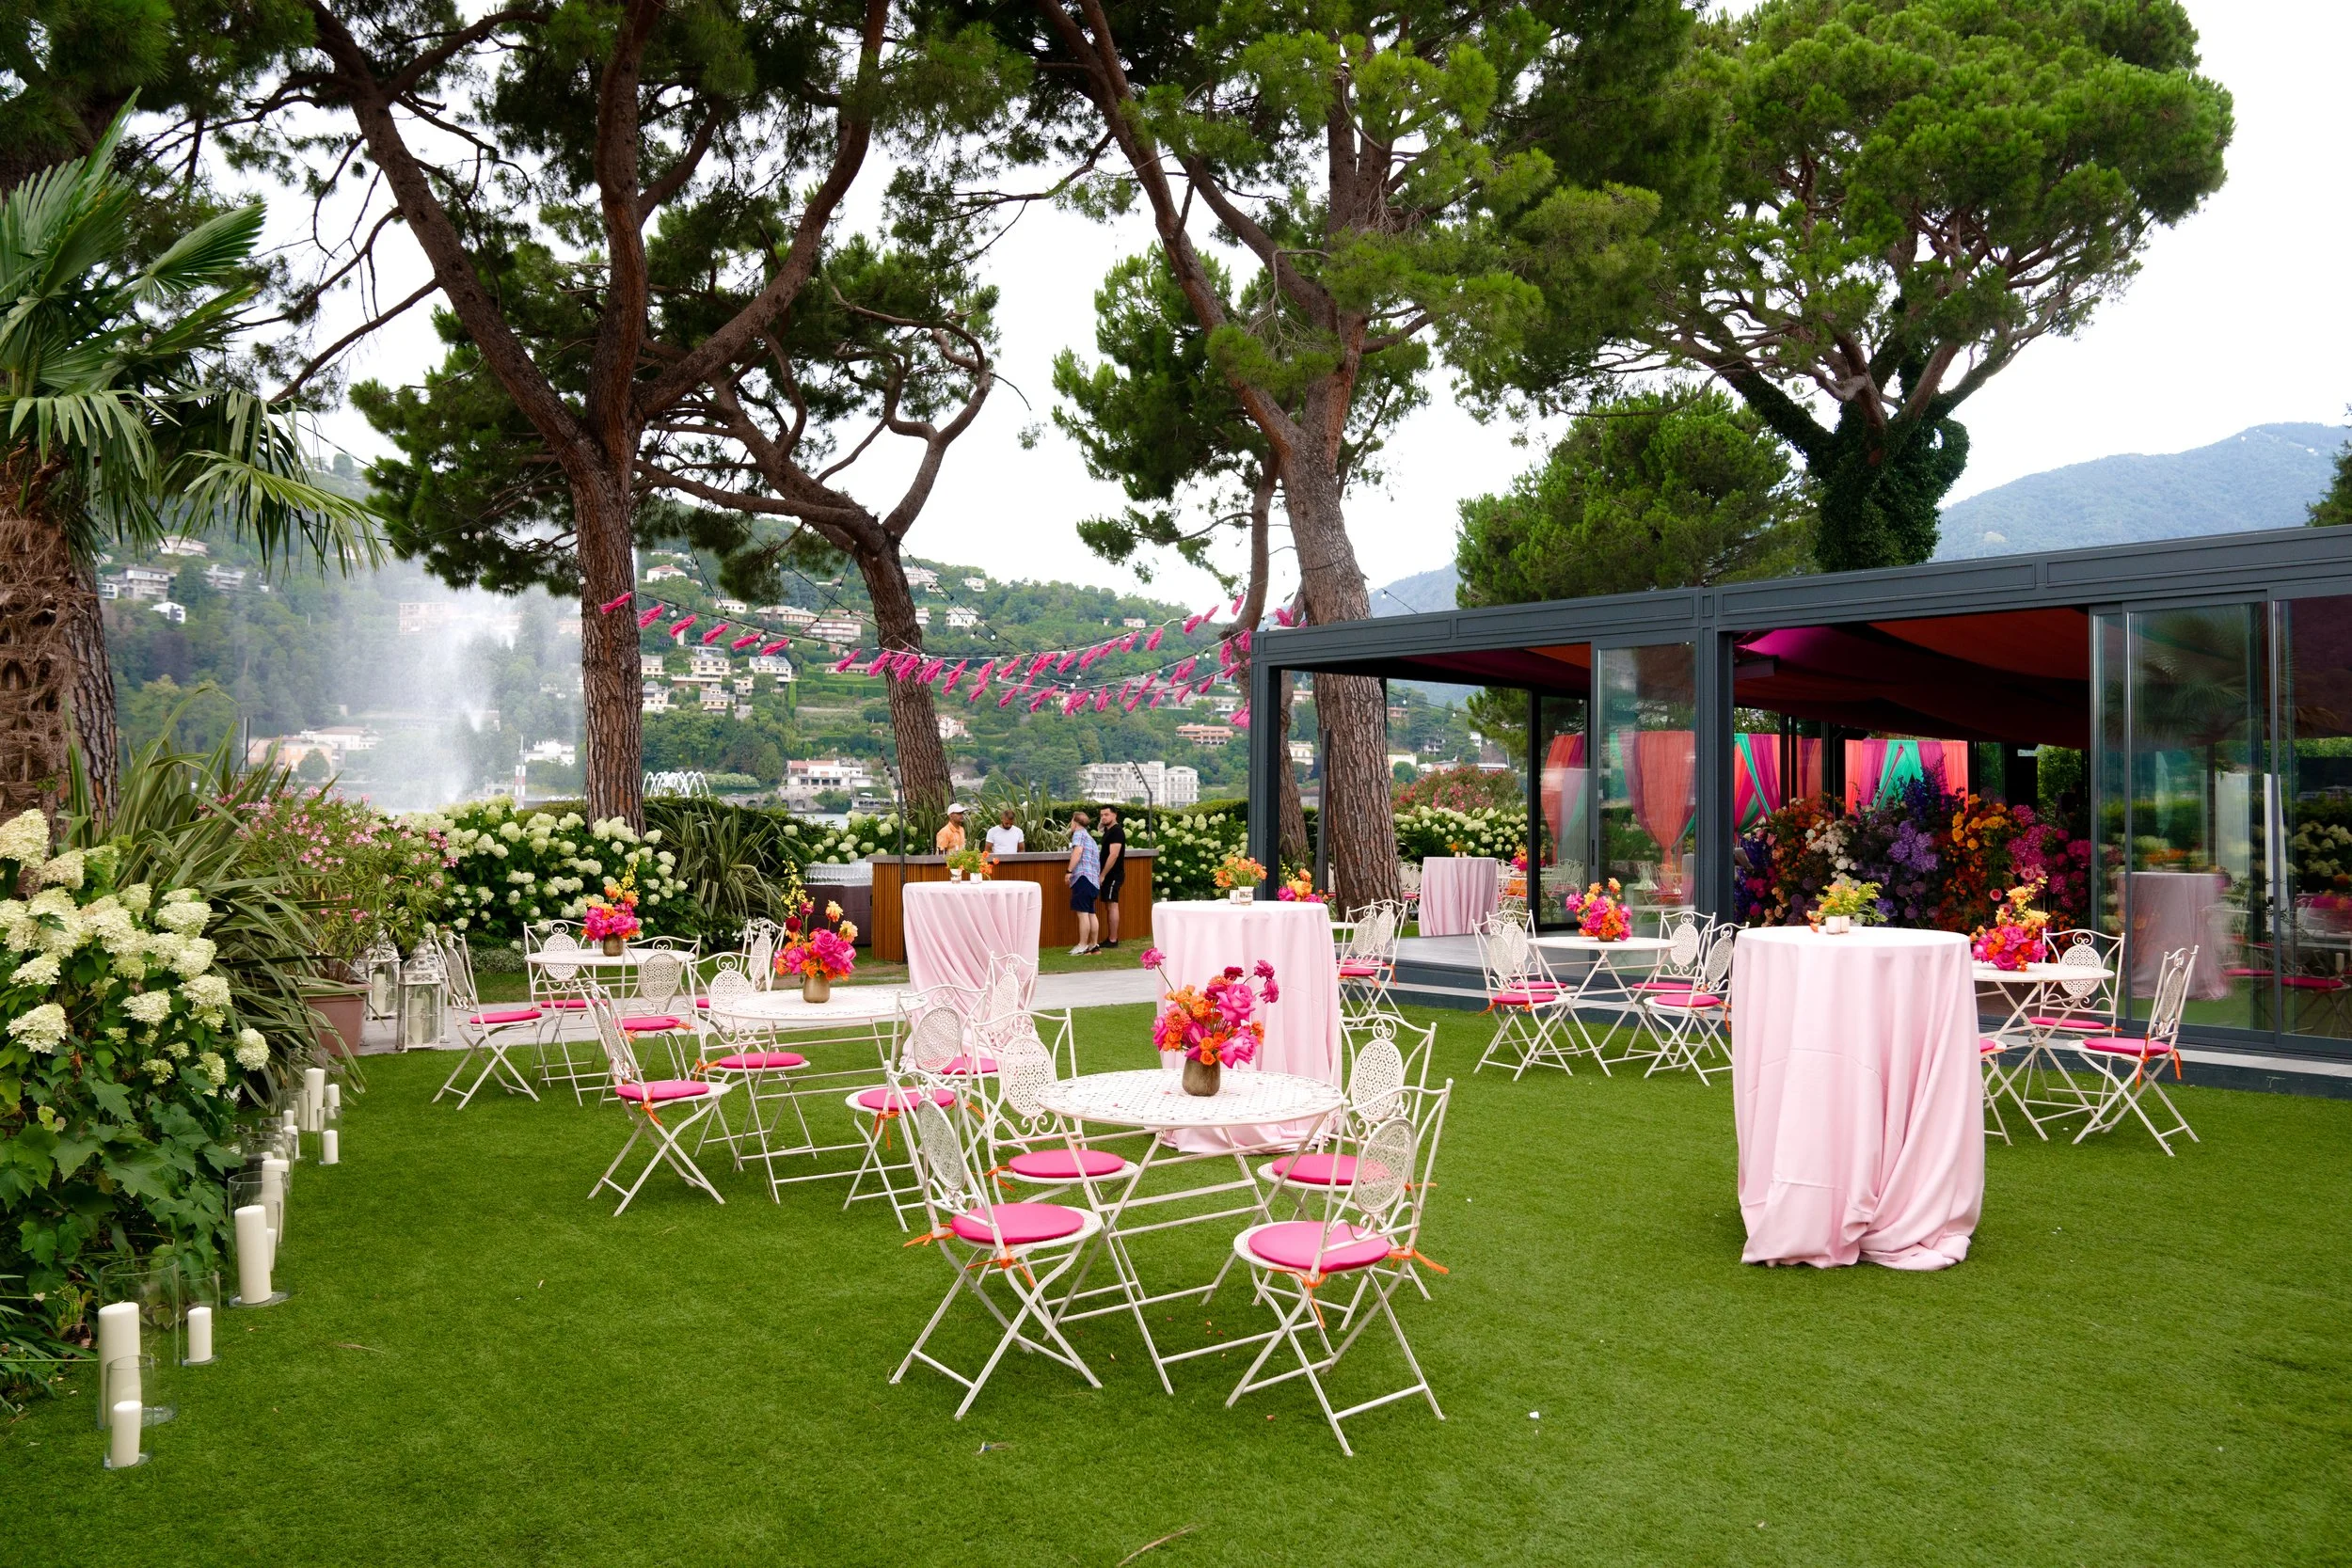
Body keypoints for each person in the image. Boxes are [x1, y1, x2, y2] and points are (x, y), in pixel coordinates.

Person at [1064, 808, 1101, 955]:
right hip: (1093, 880)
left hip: (1082, 877)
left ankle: (1082, 945)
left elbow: (1077, 852)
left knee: (1082, 913)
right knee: (1091, 912)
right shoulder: (1090, 838)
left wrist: (1069, 871)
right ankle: (1094, 946)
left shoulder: (1078, 835)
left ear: (1075, 822)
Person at [1096, 805, 1127, 948]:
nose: (1103, 817)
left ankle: (1113, 940)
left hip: (1113, 874)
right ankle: (1111, 938)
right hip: (1109, 874)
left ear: (1115, 815)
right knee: (1109, 905)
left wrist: (1103, 875)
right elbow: (1099, 828)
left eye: (1107, 814)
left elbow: (1113, 855)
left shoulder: (1117, 832)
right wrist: (1102, 824)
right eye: (1102, 815)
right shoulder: (1109, 831)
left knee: (1112, 905)